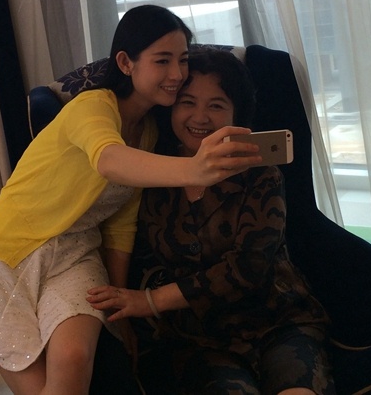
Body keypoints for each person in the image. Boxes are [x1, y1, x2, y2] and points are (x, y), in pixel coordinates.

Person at [0, 6, 263, 395]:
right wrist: (194, 169)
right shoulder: (93, 107)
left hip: (75, 254)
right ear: (125, 63)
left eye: (182, 60)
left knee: (73, 358)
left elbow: (121, 224)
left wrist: (121, 314)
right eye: (162, 60)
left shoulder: (149, 130)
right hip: (10, 255)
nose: (177, 74)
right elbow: (108, 160)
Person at [87, 49, 336, 394]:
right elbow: (122, 235)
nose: (200, 117)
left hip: (278, 322)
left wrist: (150, 300)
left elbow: (248, 267)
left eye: (216, 105)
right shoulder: (152, 174)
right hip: (198, 339)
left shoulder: (260, 173)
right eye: (187, 102)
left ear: (236, 114)